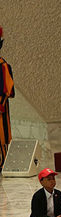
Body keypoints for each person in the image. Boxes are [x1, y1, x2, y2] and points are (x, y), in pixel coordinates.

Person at [0, 26, 14, 171]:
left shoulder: (3, 65)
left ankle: (4, 162)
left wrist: (1, 103)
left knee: (1, 136)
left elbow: (7, 87)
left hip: (0, 104)